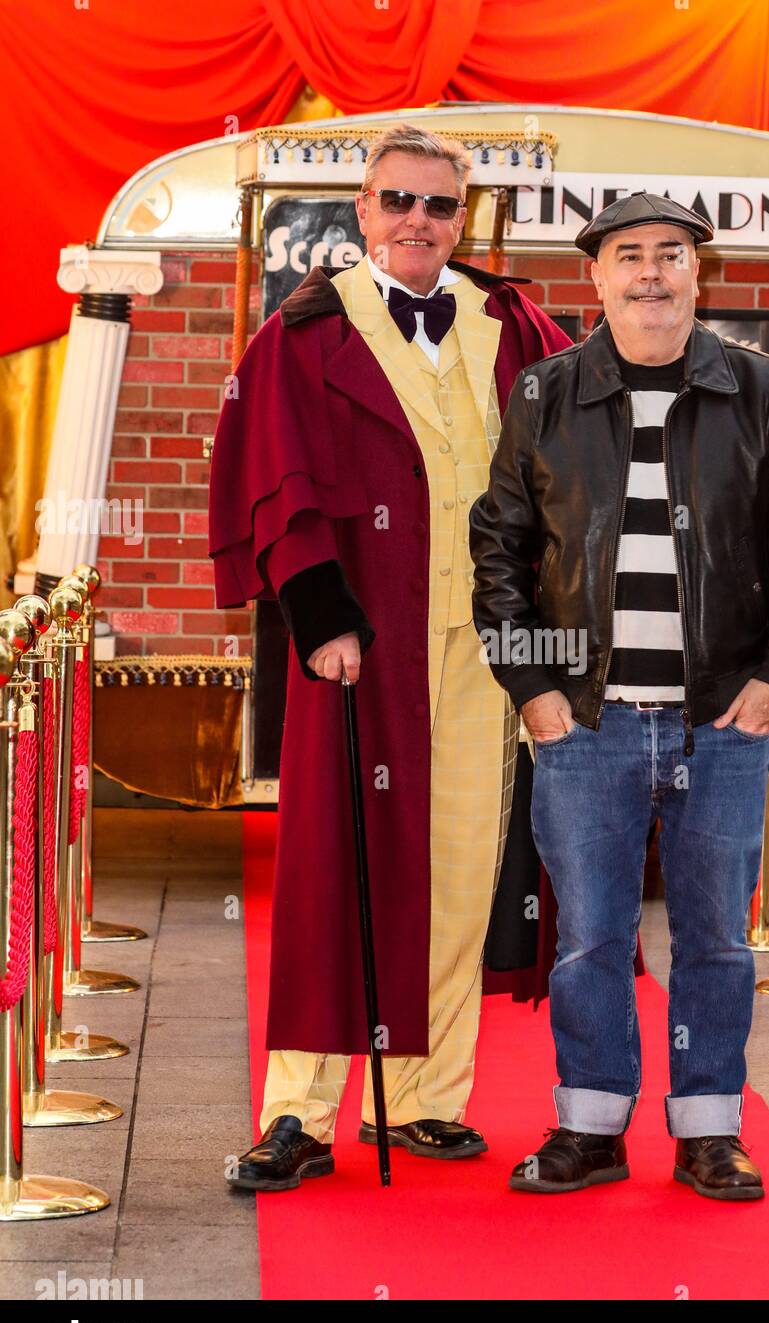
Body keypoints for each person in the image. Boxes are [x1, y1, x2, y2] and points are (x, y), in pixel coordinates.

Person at [209, 123, 571, 1190]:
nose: (418, 221)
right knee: (334, 870)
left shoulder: (509, 323)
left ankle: (423, 1098)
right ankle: (300, 1112)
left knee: (462, 867)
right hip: (359, 643)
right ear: (360, 212)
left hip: (483, 641)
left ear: (464, 219)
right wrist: (318, 613)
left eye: (439, 206)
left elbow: (568, 465)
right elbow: (274, 474)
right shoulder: (304, 332)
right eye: (397, 201)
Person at [470, 192, 769, 1200]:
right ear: (594, 278)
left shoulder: (759, 389)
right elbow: (499, 548)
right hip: (584, 723)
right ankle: (587, 1125)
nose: (649, 273)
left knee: (716, 937)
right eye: (627, 255)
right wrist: (532, 685)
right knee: (590, 935)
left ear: (696, 274)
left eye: (669, 255)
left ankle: (707, 1130)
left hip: (720, 722)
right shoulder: (545, 392)